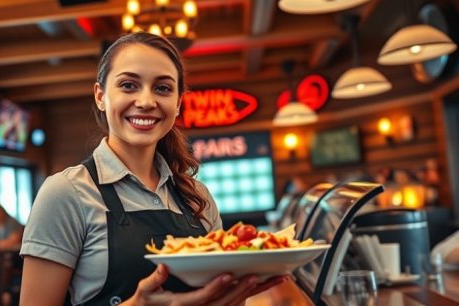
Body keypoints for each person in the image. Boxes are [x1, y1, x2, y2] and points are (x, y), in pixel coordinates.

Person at [20, 32, 289, 306]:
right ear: (100, 95)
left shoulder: (198, 197)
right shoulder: (67, 193)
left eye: (162, 88)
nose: (147, 101)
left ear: (178, 104)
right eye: (128, 85)